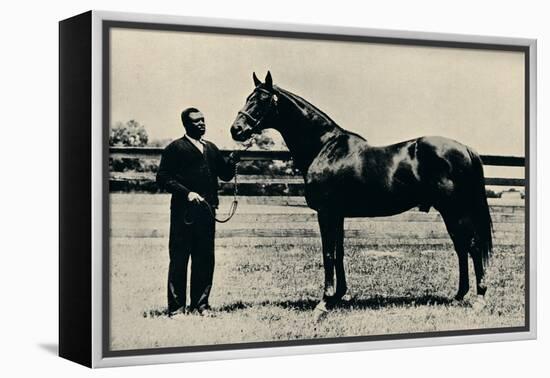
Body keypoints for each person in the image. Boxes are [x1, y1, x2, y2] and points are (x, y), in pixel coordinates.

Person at [156, 107, 238, 316]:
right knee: (179, 258)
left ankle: (201, 305)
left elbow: (226, 175)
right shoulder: (175, 148)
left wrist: (234, 159)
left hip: (207, 212)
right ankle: (176, 309)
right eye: (196, 121)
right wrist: (187, 193)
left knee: (204, 258)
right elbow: (163, 178)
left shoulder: (211, 148)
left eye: (203, 120)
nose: (201, 124)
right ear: (186, 124)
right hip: (184, 213)